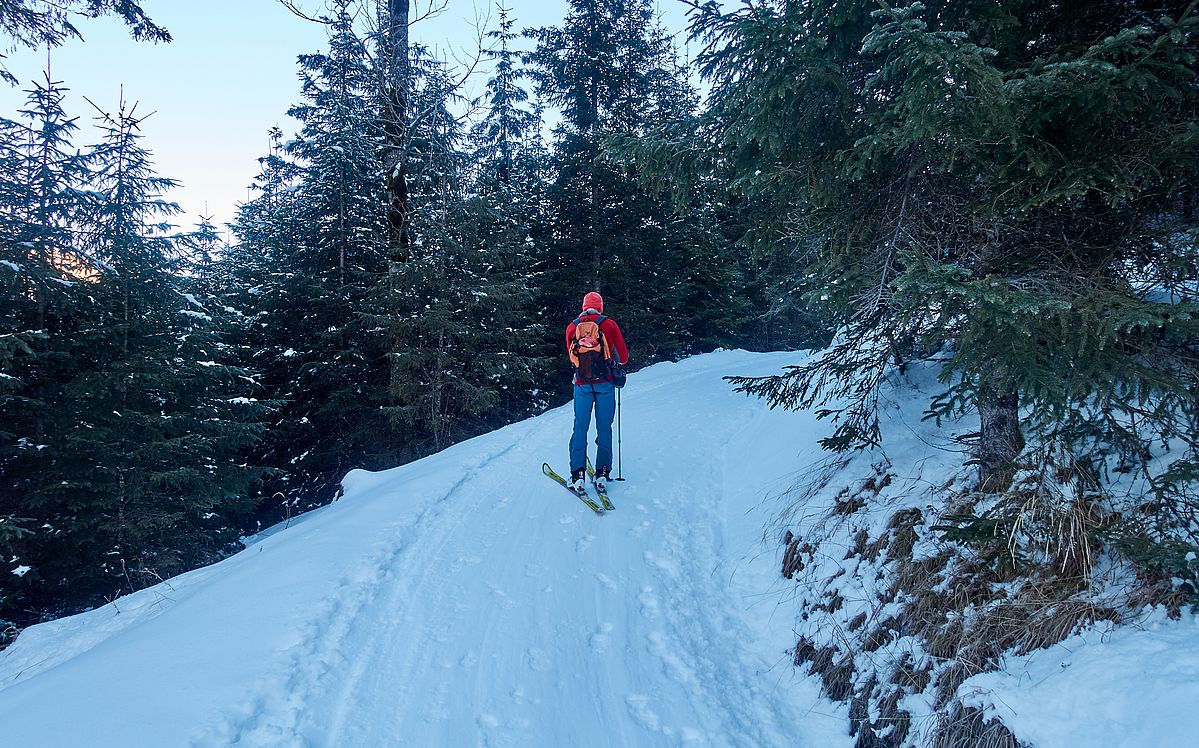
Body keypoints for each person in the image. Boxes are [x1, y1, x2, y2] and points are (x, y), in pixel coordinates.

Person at [566, 291, 629, 492]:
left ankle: (577, 474)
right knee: (604, 428)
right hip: (605, 384)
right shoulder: (609, 325)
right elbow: (624, 357)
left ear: (584, 306)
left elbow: (571, 357)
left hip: (582, 385)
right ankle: (602, 472)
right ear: (600, 306)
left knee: (580, 427)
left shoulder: (572, 327)